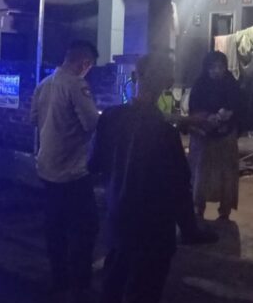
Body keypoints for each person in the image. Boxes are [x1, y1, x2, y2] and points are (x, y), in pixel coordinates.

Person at [89, 54, 215, 303]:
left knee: (113, 285)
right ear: (167, 83)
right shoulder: (165, 133)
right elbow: (180, 186)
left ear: (136, 76)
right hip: (154, 230)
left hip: (119, 220)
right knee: (145, 291)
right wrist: (190, 230)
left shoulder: (110, 117)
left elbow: (93, 165)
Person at [30, 40, 99, 300]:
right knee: (85, 229)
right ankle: (80, 284)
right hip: (73, 171)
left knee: (55, 229)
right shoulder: (76, 85)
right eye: (89, 66)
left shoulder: (43, 84)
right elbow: (91, 123)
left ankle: (58, 280)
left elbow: (33, 119)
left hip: (47, 168)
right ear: (84, 63)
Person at [187, 51, 241, 220]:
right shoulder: (200, 85)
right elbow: (193, 109)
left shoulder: (231, 85)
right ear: (206, 68)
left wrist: (227, 116)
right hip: (203, 136)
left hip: (225, 137)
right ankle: (198, 207)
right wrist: (206, 119)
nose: (217, 71)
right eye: (213, 67)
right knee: (201, 174)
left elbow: (239, 107)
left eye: (220, 67)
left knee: (226, 175)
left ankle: (225, 210)